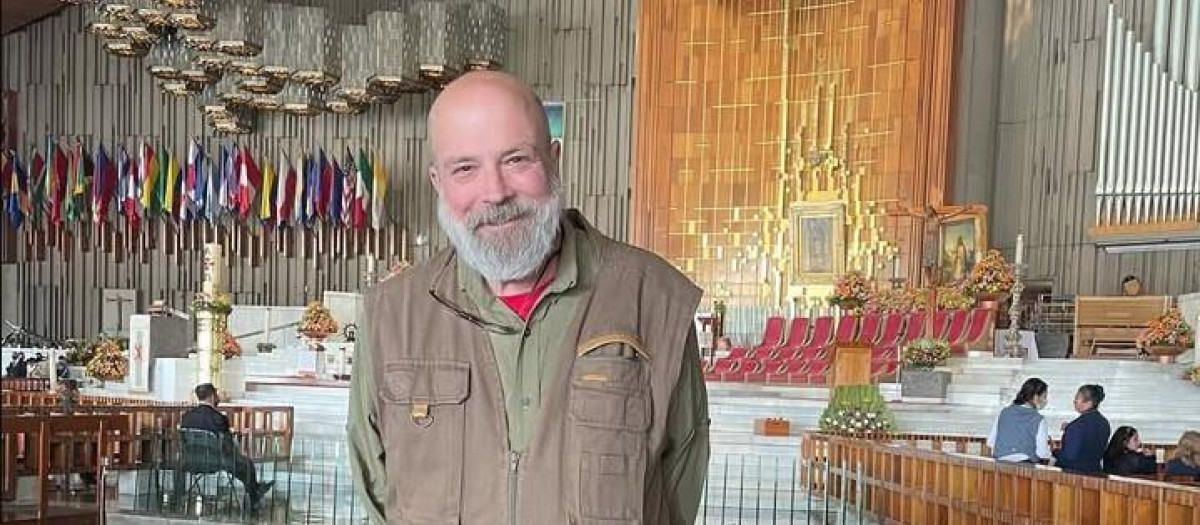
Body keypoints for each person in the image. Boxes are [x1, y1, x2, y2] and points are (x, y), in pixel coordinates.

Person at [347, 71, 710, 525]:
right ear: (438, 182)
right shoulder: (390, 316)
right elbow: (377, 489)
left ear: (554, 160)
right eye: (465, 168)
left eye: (517, 159)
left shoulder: (655, 302)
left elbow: (676, 489)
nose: (495, 192)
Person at [180, 383, 273, 505]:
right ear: (212, 396)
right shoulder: (218, 418)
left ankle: (255, 490)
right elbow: (227, 444)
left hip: (191, 460)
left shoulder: (186, 417)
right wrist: (237, 451)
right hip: (216, 461)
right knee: (246, 464)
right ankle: (254, 493)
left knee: (240, 465)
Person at [986, 378, 1052, 464]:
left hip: (1000, 465)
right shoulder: (1038, 419)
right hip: (1025, 467)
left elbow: (991, 443)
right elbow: (1042, 453)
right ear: (1035, 397)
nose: (1045, 401)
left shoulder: (1004, 412)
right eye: (1044, 397)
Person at [1054, 384, 1111, 474]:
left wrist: (1055, 451)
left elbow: (1069, 457)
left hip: (1073, 476)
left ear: (1089, 403)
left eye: (1077, 398)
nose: (1074, 401)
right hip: (1095, 473)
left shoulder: (1076, 426)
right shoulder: (1104, 423)